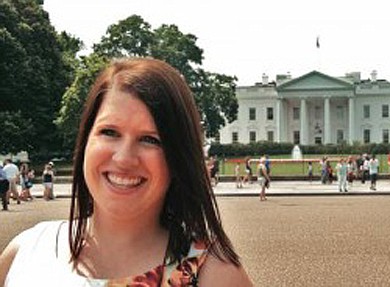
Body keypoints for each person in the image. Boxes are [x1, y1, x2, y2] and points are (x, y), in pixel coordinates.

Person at [0, 58, 252, 286]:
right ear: (86, 139)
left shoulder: (214, 275)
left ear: (178, 155)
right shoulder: (25, 251)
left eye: (151, 139)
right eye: (109, 132)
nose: (123, 158)